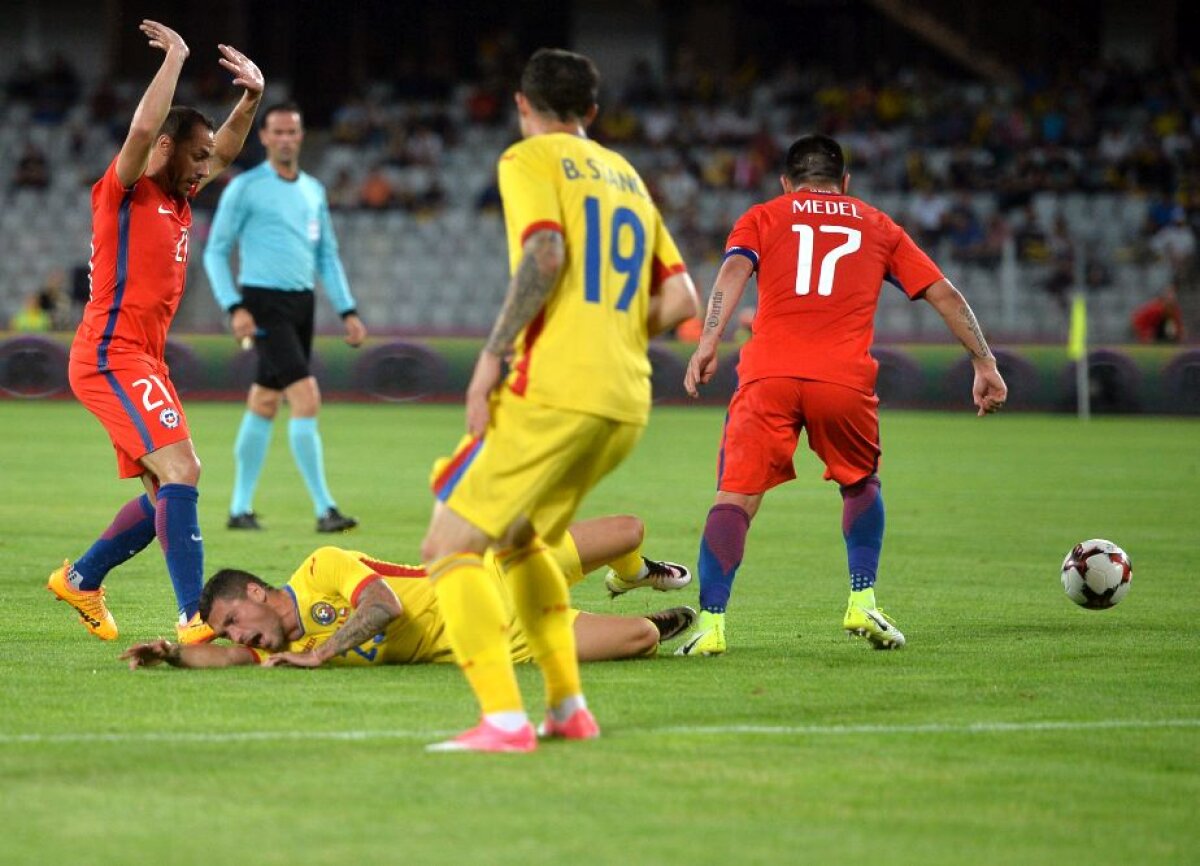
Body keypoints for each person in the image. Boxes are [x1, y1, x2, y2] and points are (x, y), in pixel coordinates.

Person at [418, 48, 699, 753]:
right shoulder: (627, 176)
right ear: (592, 112)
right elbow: (681, 299)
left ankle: (502, 721)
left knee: (448, 545)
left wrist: (491, 356)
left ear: (523, 105)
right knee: (520, 541)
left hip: (554, 390)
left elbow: (544, 254)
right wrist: (610, 335)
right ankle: (568, 709)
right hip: (625, 400)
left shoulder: (529, 158)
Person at [679, 134, 1007, 656]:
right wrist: (983, 362)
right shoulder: (878, 225)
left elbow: (733, 271)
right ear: (845, 182)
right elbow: (944, 293)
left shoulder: (763, 216)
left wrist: (708, 341)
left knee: (735, 497)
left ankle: (711, 625)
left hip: (768, 376)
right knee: (859, 483)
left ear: (786, 183)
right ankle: (862, 600)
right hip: (843, 379)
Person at [47, 20, 263, 644]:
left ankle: (82, 579)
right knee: (183, 469)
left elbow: (225, 150)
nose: (206, 168)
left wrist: (250, 98)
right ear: (167, 149)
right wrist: (176, 59)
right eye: (196, 157)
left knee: (166, 487)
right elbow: (144, 130)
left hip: (143, 358)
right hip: (110, 355)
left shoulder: (179, 199)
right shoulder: (124, 191)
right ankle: (194, 616)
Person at [119, 515, 695, 670]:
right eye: (229, 633)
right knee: (641, 638)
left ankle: (631, 573)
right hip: (502, 637)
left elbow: (384, 606)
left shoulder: (321, 566)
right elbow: (222, 660)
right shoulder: (276, 649)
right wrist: (170, 654)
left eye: (233, 620)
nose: (237, 636)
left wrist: (324, 652)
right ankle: (642, 615)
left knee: (628, 530)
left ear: (255, 591)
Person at [203, 102, 366, 534]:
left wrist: (347, 310)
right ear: (264, 137)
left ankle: (239, 509)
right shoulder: (245, 188)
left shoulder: (313, 190)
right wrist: (234, 306)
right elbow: (216, 251)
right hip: (263, 304)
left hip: (301, 304)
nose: (286, 139)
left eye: (292, 131)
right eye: (277, 131)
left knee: (265, 401)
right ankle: (325, 509)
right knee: (306, 397)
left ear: (301, 136)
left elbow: (327, 254)